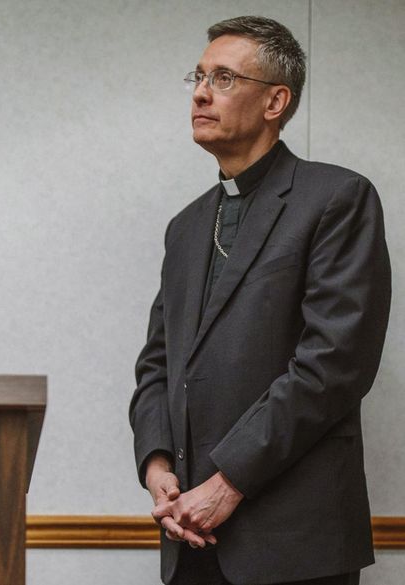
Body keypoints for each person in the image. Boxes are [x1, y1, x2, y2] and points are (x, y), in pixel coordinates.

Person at [129, 16, 390, 585]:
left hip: (294, 542)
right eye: (198, 76)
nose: (200, 91)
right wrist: (156, 465)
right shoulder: (185, 226)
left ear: (275, 101)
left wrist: (227, 483)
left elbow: (334, 365)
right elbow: (158, 363)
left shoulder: (337, 198)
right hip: (187, 535)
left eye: (223, 78)